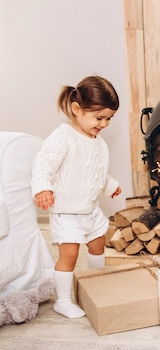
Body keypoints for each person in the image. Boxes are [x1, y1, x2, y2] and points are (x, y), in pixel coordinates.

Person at [32, 75, 122, 319]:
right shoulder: (64, 136)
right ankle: (62, 300)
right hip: (67, 211)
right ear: (76, 109)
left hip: (90, 209)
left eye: (109, 119)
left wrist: (110, 185)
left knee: (97, 244)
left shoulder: (99, 142)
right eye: (99, 118)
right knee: (69, 255)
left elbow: (98, 172)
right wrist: (42, 187)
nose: (104, 124)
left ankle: (96, 282)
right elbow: (44, 164)